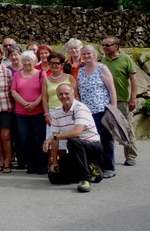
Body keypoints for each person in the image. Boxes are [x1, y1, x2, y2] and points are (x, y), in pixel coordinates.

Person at [43, 83, 103, 193]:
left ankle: (85, 179)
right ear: (57, 96)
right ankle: (89, 168)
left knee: (73, 141)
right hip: (76, 150)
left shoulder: (81, 108)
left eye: (67, 93)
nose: (64, 96)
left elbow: (77, 133)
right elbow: (55, 139)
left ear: (73, 94)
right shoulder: (56, 112)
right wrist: (54, 161)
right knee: (53, 177)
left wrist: (54, 137)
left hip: (92, 146)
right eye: (60, 94)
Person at [77, 45, 117, 178]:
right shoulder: (81, 71)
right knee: (92, 140)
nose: (87, 56)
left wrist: (114, 109)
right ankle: (97, 166)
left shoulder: (102, 68)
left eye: (89, 53)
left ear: (94, 54)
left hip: (102, 109)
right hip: (87, 112)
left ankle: (109, 167)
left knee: (106, 139)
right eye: (84, 54)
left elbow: (111, 89)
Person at [101, 36, 138, 167]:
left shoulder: (126, 59)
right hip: (106, 100)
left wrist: (133, 98)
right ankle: (108, 157)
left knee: (126, 128)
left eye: (107, 45)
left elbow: (133, 80)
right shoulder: (103, 60)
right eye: (103, 45)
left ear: (116, 47)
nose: (104, 47)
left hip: (122, 100)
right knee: (107, 129)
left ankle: (131, 155)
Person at [11, 51, 46, 174]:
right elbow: (13, 91)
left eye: (29, 60)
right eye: (24, 60)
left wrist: (35, 103)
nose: (26, 63)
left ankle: (41, 164)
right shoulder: (16, 75)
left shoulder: (41, 74)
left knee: (38, 138)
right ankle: (30, 164)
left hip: (38, 112)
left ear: (34, 61)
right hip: (21, 113)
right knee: (25, 139)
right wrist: (25, 103)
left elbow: (44, 91)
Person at [42, 52, 77, 131]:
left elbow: (76, 96)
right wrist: (46, 114)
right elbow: (44, 99)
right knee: (53, 137)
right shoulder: (46, 80)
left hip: (68, 111)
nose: (54, 65)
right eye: (51, 63)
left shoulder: (69, 77)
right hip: (52, 112)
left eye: (57, 63)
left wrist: (75, 110)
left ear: (62, 64)